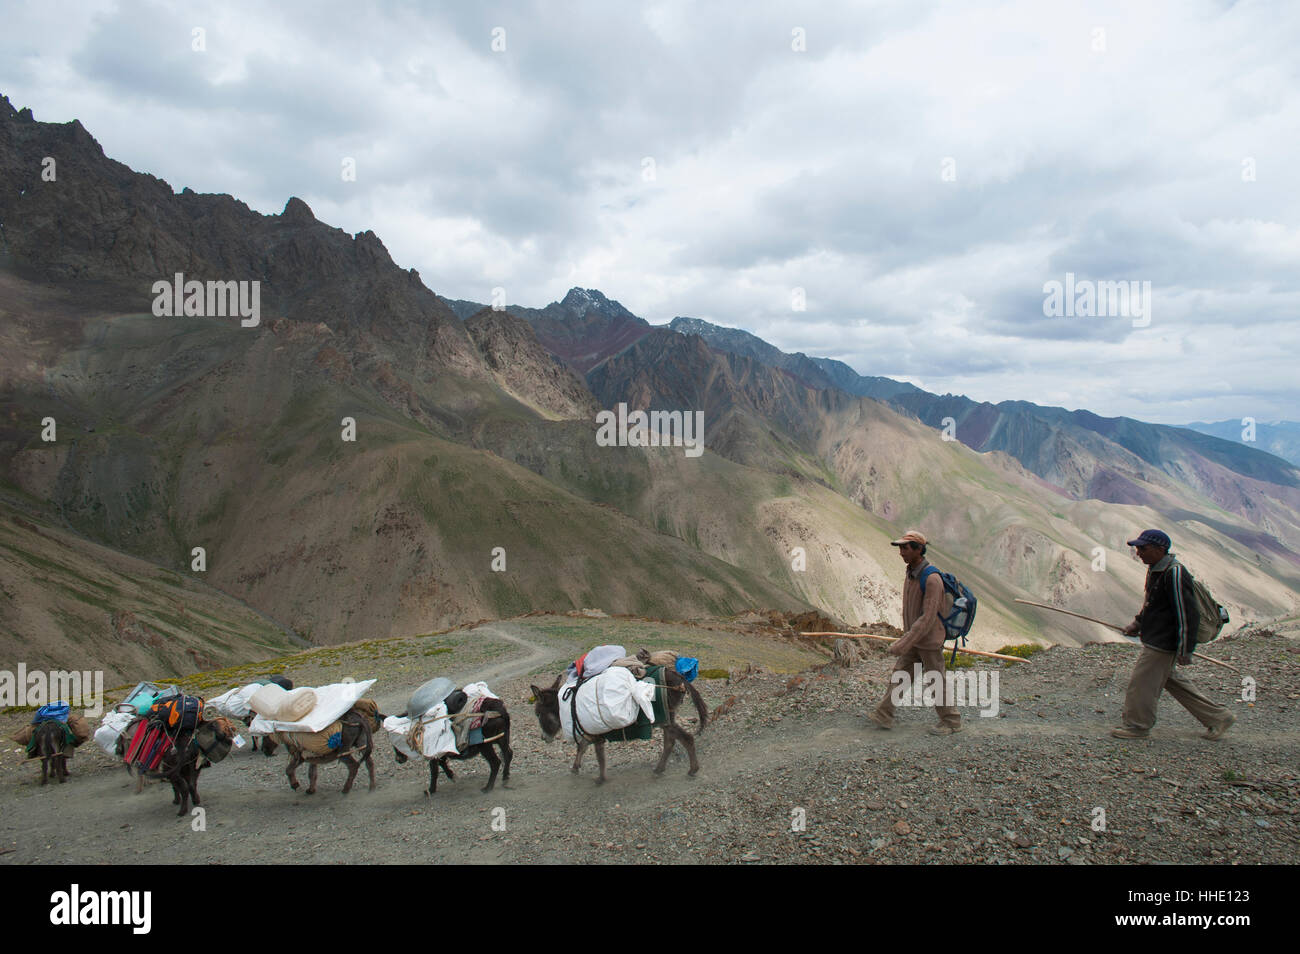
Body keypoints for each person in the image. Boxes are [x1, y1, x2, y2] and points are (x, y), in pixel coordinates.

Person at [1111, 529, 1235, 740]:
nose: (1138, 552)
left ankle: (1137, 726)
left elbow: (1187, 613)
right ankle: (1218, 717)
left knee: (1141, 684)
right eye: (1137, 548)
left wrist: (1185, 649)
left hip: (1164, 642)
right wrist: (1138, 623)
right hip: (1155, 637)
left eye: (1143, 548)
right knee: (1172, 681)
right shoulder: (1156, 569)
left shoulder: (1175, 574)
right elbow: (1151, 604)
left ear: (1160, 550)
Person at [868, 530, 962, 735]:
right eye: (900, 548)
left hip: (928, 642)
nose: (901, 552)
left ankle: (951, 721)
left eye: (905, 548)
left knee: (936, 680)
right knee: (900, 676)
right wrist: (908, 639)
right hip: (914, 640)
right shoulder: (912, 573)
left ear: (919, 550)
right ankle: (884, 714)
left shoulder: (932, 579)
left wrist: (902, 643)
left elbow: (928, 618)